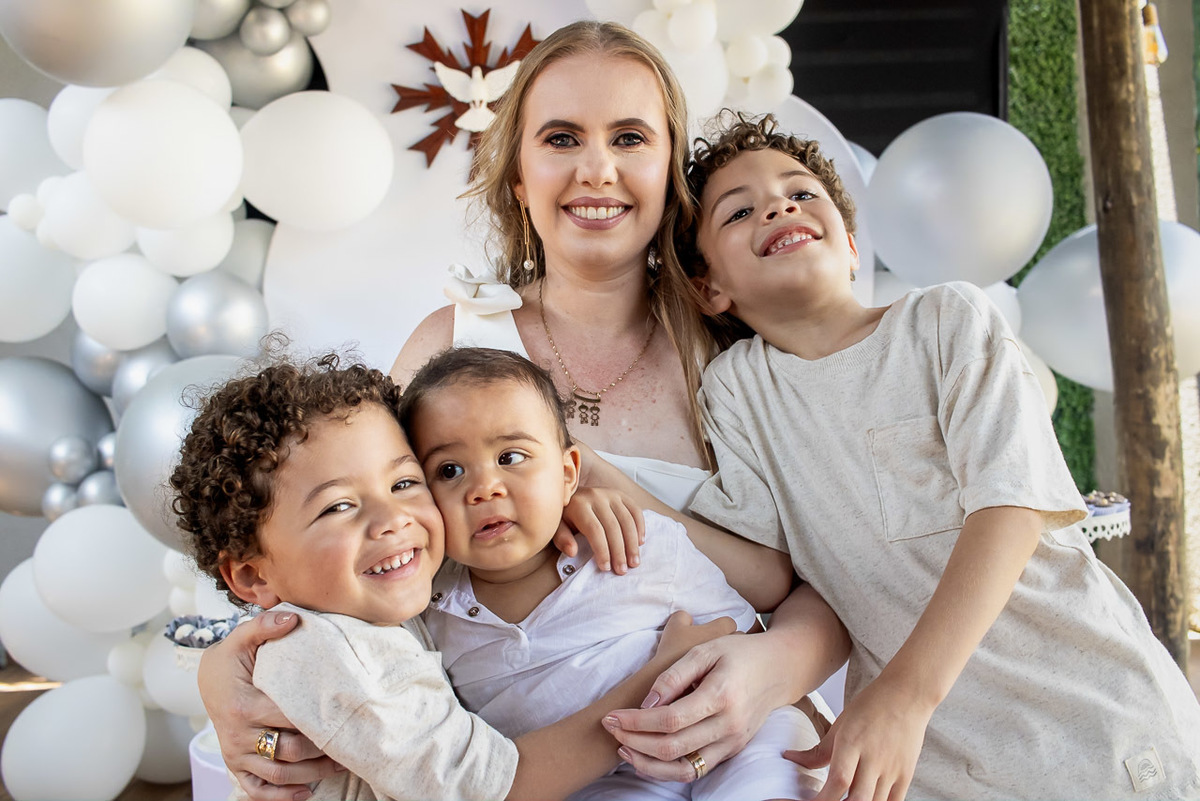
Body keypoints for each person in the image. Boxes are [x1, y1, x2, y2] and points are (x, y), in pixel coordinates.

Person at [196, 22, 849, 800]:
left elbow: (849, 566)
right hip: (513, 758)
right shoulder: (453, 346)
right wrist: (225, 668)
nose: (596, 168)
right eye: (562, 137)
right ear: (517, 176)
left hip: (738, 722)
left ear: (672, 168)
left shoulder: (739, 349)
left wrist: (773, 667)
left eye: (631, 137)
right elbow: (344, 536)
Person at [610, 111, 1200, 800]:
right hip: (941, 766)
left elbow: (1009, 508)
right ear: (711, 287)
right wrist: (623, 493)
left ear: (852, 244)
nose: (779, 205)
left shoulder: (945, 320)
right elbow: (766, 571)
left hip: (1095, 723)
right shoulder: (738, 390)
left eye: (802, 193)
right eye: (739, 211)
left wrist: (905, 695)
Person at [169, 353, 732, 801]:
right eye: (338, 507)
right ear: (251, 575)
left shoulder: (389, 598)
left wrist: (559, 504)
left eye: (403, 483)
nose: (393, 522)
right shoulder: (336, 655)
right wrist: (658, 681)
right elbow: (484, 787)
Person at [401, 346, 826, 801]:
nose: (484, 488)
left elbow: (742, 637)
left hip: (731, 739)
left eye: (511, 457)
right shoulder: (425, 614)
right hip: (600, 781)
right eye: (450, 470)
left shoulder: (633, 543)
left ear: (568, 475)